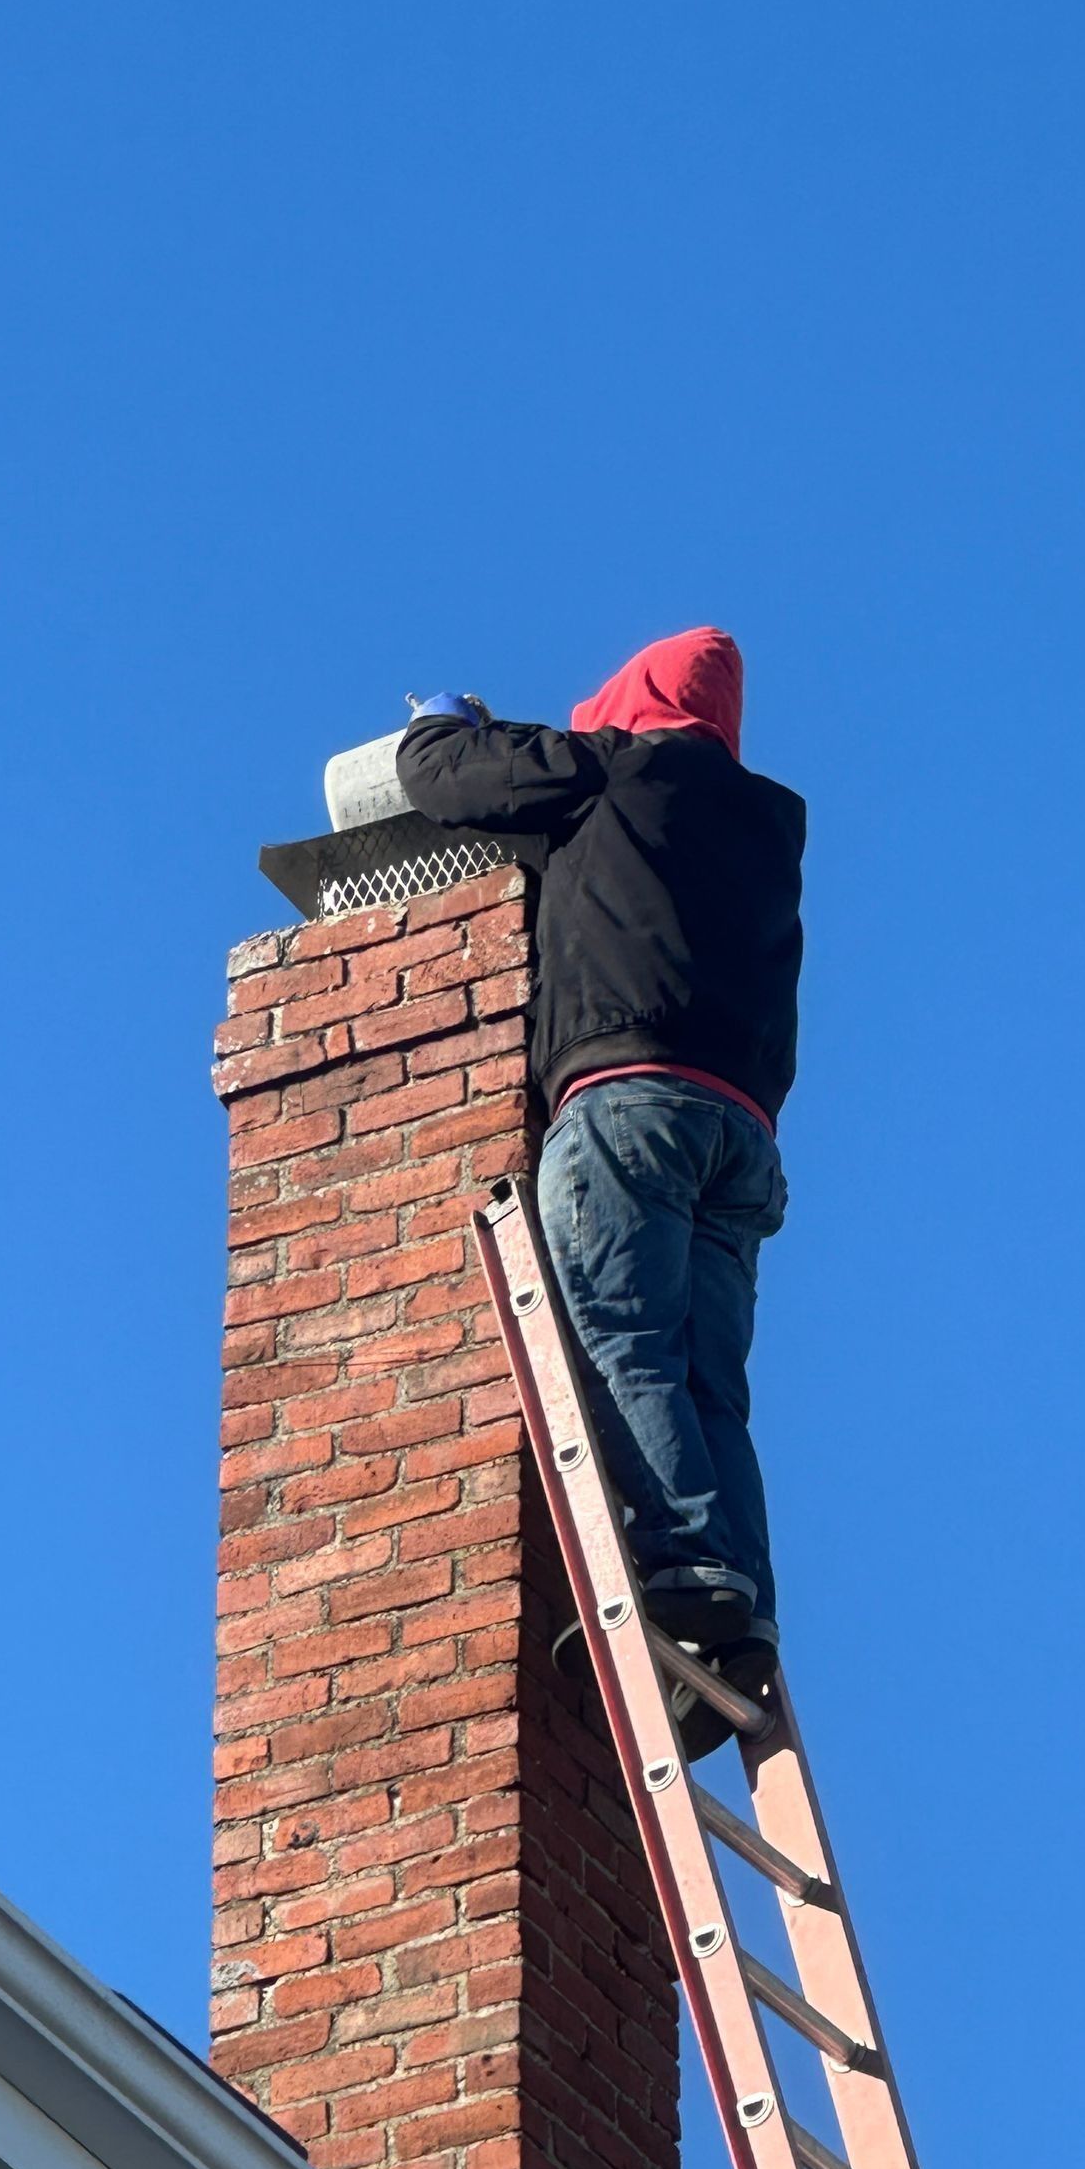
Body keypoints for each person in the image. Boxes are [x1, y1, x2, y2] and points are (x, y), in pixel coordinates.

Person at [397, 628, 804, 1753]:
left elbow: (443, 780)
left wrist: (444, 720)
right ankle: (736, 1609)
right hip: (741, 1136)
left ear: (635, 704)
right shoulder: (767, 832)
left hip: (631, 1104)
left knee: (623, 1343)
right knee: (709, 1382)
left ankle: (683, 1571)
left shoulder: (617, 769)